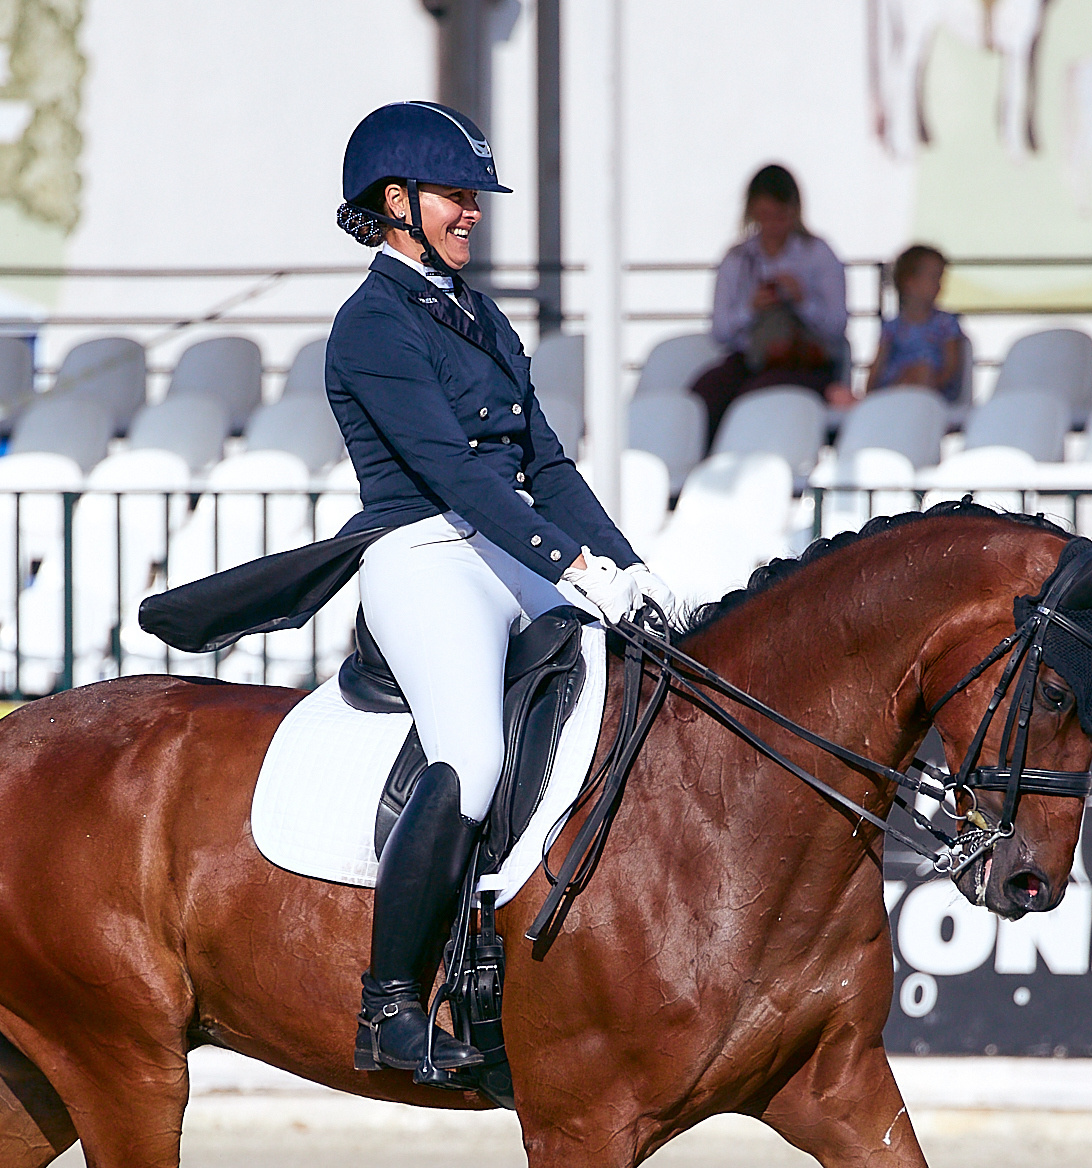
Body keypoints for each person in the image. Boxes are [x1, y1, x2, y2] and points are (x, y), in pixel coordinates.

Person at [323, 101, 685, 1078]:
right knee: (472, 754)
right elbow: (458, 475)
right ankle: (389, 1006)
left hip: (506, 550)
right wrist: (571, 569)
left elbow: (547, 467)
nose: (473, 212)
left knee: (632, 689)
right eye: (454, 195)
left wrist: (630, 568)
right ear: (393, 203)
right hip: (422, 556)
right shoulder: (370, 325)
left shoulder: (477, 313)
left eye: (474, 196)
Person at [690, 164, 853, 443]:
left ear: (794, 212)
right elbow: (720, 331)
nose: (772, 227)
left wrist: (802, 300)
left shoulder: (818, 254)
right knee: (706, 392)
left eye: (780, 217)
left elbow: (837, 327)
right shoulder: (738, 259)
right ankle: (704, 465)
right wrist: (752, 308)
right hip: (752, 359)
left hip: (805, 360)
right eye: (764, 216)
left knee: (758, 395)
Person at [867, 244, 968, 401]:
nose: (939, 285)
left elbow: (951, 367)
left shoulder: (946, 324)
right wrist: (868, 397)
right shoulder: (891, 327)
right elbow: (877, 367)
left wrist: (931, 382)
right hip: (894, 388)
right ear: (910, 283)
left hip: (932, 391)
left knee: (922, 371)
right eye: (933, 277)